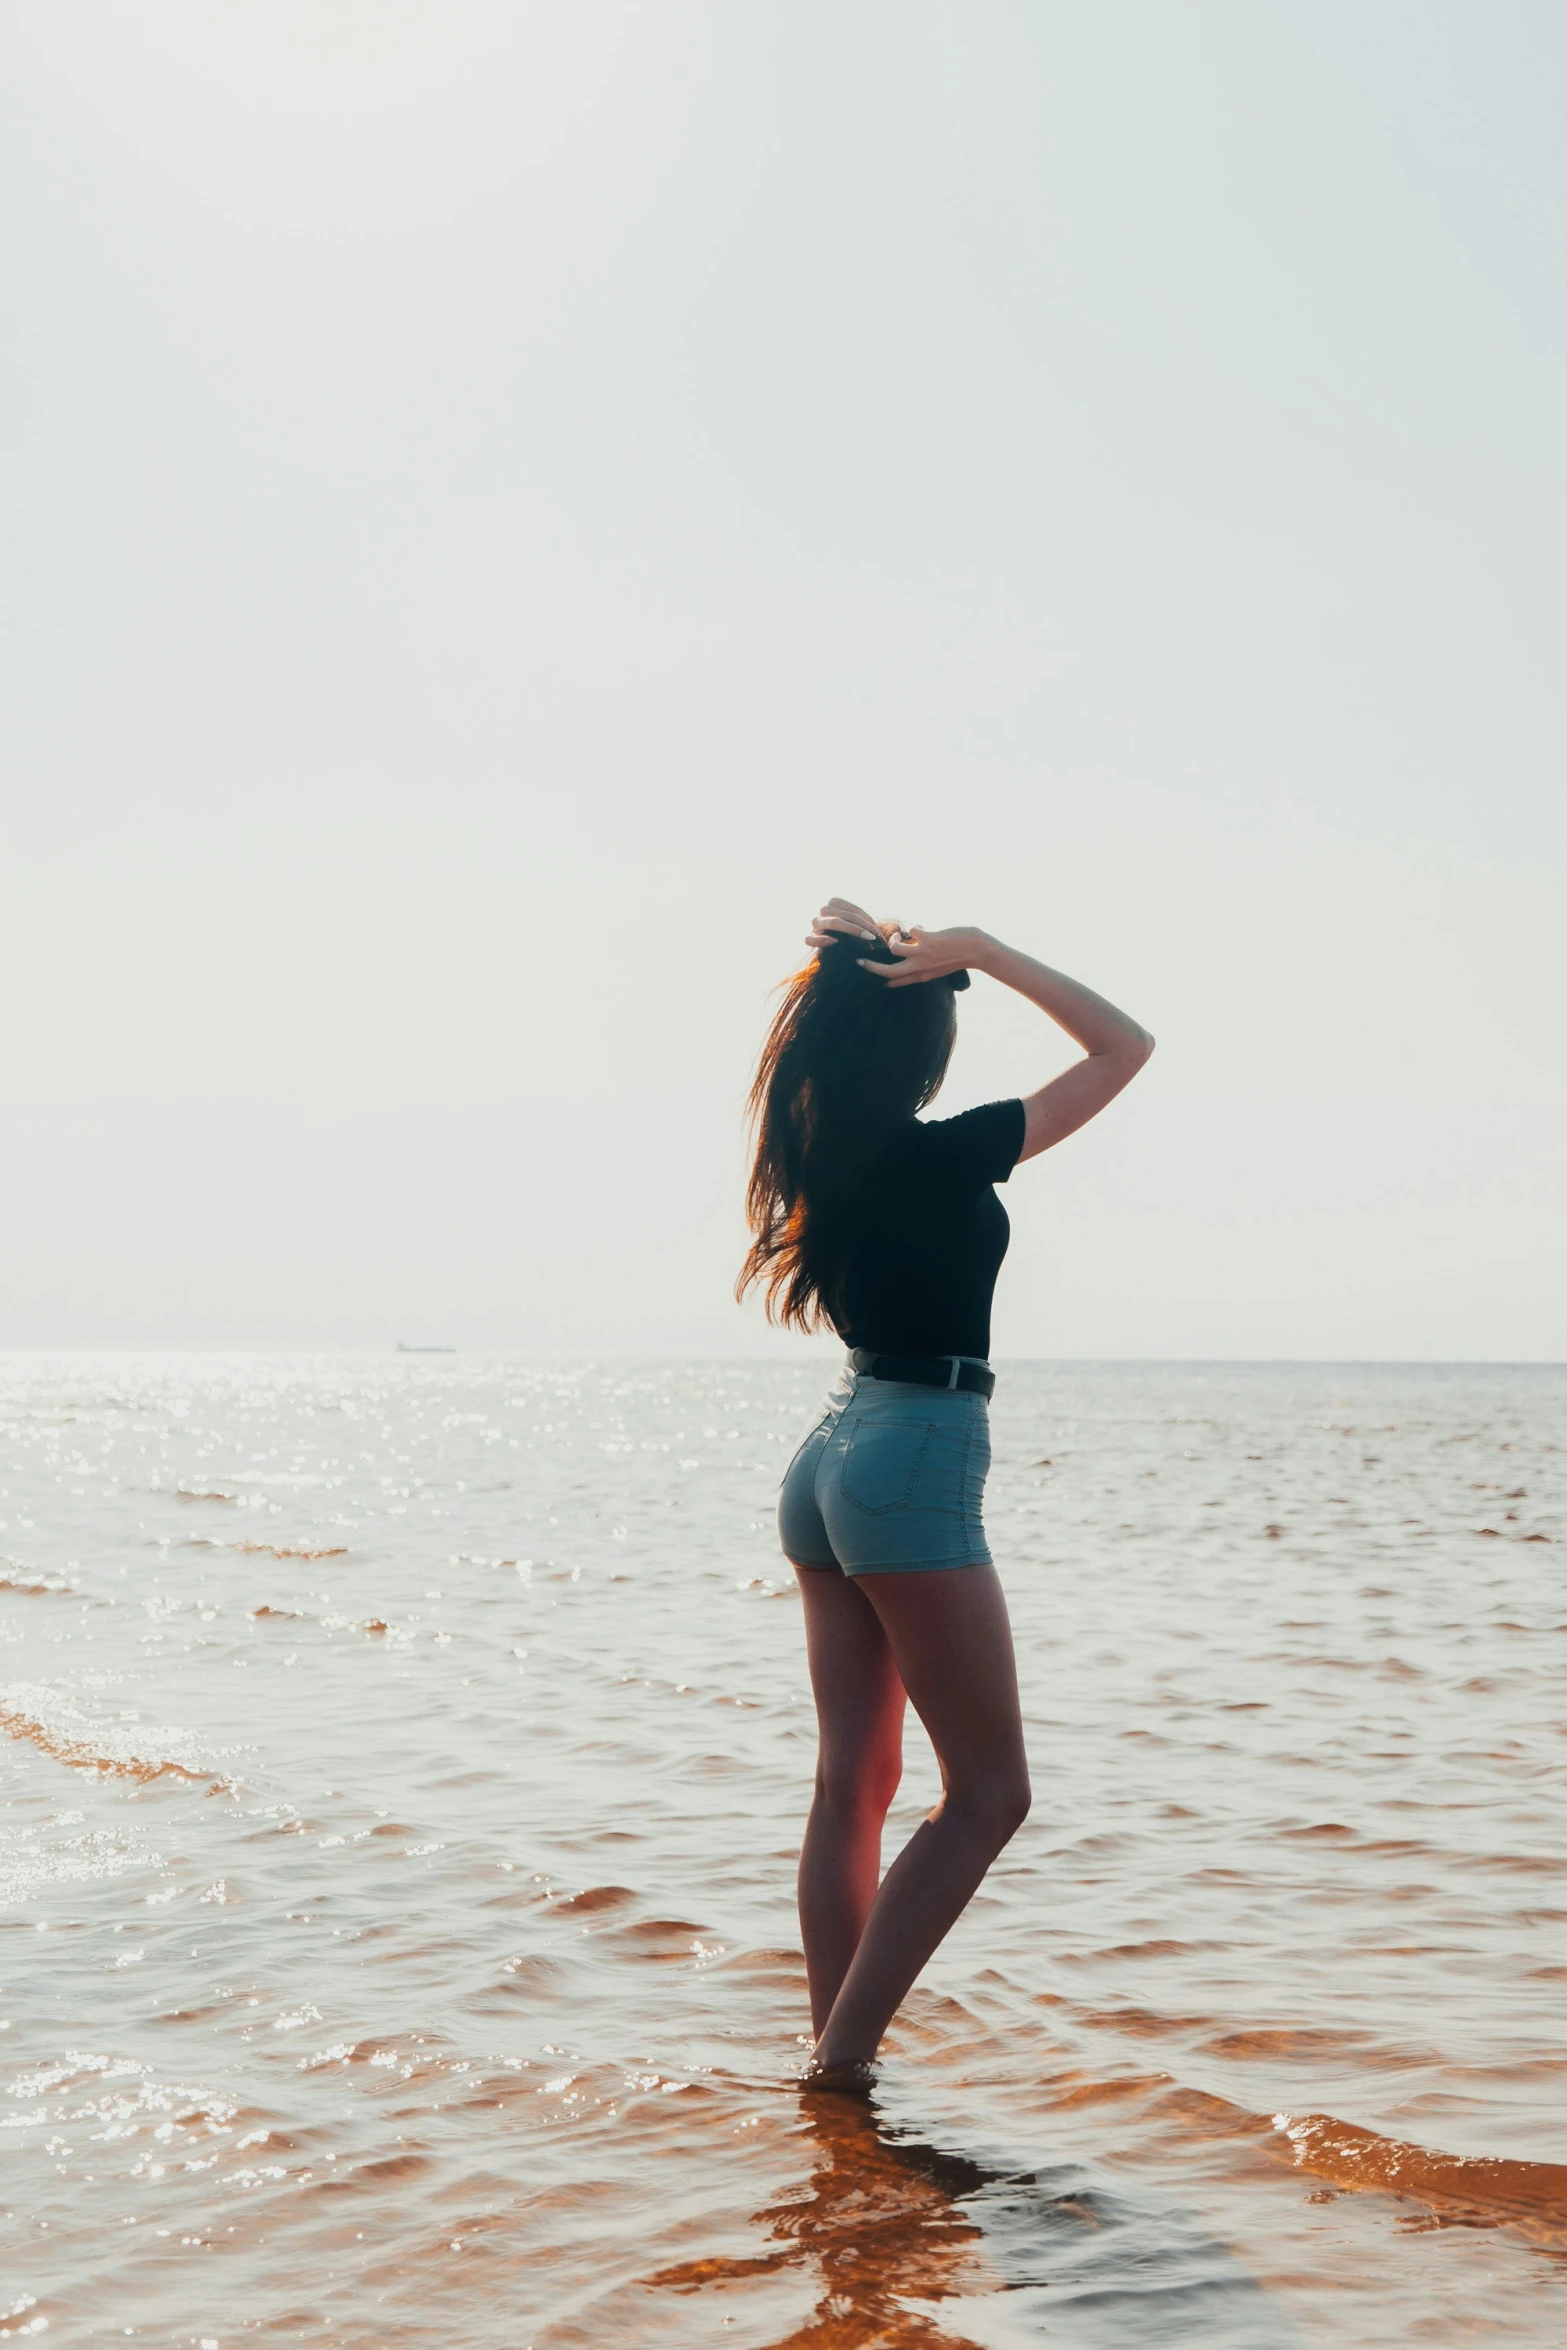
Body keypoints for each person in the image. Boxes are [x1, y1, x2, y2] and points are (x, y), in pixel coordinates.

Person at [738, 897, 1154, 2087]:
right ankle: (841, 2067)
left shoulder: (819, 1144)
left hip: (830, 1455)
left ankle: (834, 2053)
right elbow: (1124, 1048)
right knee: (988, 1794)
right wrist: (982, 952)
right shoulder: (940, 1151)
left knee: (853, 1785)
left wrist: (885, 966)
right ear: (917, 1047)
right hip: (912, 1449)